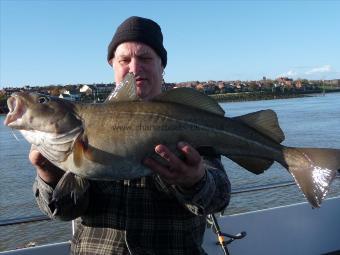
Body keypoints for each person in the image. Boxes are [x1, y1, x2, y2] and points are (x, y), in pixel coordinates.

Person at [30, 16, 231, 255]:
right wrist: (49, 175)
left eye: (145, 58)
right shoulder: (76, 126)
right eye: (124, 59)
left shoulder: (189, 119)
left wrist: (196, 181)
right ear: (112, 65)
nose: (134, 68)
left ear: (161, 65)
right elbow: (64, 212)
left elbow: (218, 199)